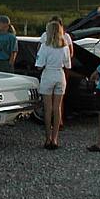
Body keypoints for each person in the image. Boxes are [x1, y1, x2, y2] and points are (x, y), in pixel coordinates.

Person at [35, 21, 72, 149]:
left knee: (48, 108)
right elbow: (68, 65)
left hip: (48, 74)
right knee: (57, 108)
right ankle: (55, 138)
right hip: (60, 75)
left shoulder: (45, 47)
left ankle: (47, 138)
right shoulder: (65, 47)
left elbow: (39, 66)